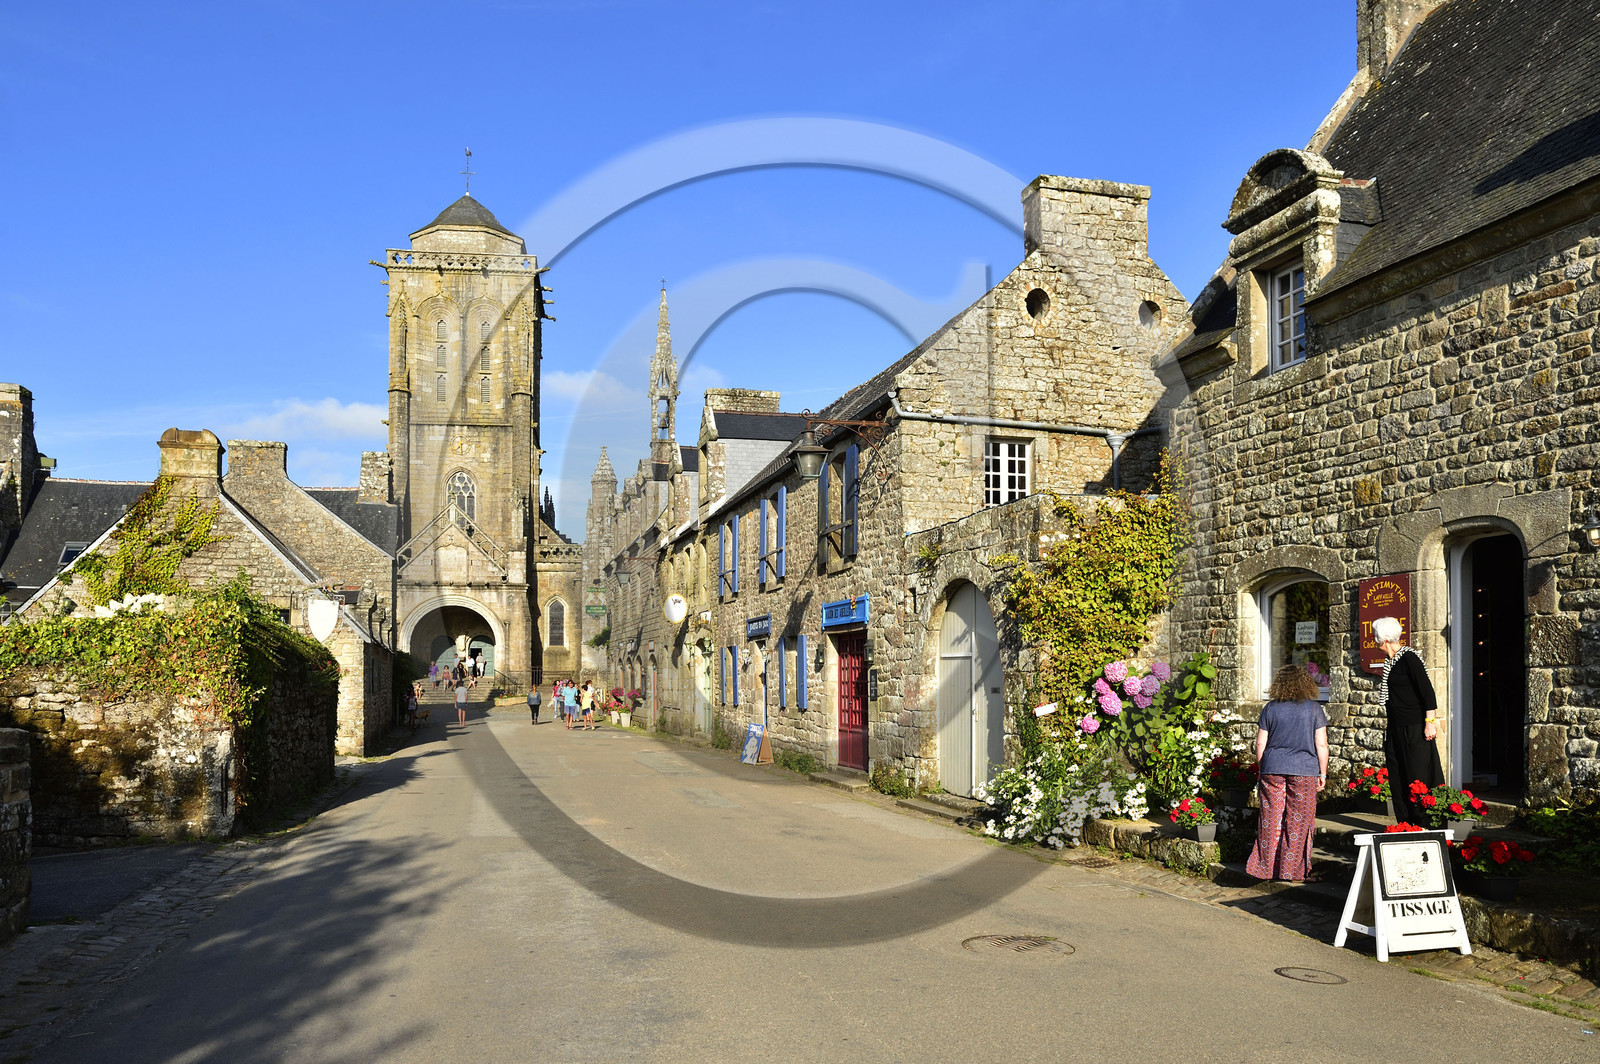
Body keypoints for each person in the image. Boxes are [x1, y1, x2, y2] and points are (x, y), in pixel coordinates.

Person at [1246, 664, 1329, 883]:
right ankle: (1292, 872)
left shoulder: (1271, 708)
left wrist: (1263, 767)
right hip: (1304, 770)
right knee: (1299, 821)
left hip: (1272, 767)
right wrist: (1323, 773)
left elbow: (1260, 742)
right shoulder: (1313, 709)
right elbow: (1322, 745)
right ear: (1305, 684)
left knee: (1270, 818)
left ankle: (1265, 870)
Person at [1373, 615, 1444, 824]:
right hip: (1396, 729)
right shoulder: (1391, 661)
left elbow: (1427, 693)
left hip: (1414, 728)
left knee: (1418, 776)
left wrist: (1430, 723)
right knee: (1398, 776)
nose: (1375, 642)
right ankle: (1405, 823)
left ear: (1384, 640)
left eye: (1376, 638)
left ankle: (1424, 822)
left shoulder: (1409, 658)